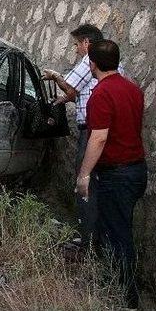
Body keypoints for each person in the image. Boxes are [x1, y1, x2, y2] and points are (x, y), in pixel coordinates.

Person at [75, 40, 146, 309]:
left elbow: (99, 138)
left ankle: (126, 298)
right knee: (115, 230)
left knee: (117, 235)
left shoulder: (101, 93)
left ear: (92, 63)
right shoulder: (133, 90)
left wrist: (84, 175)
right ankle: (112, 285)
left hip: (117, 174)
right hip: (136, 170)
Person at [42, 23, 122, 244]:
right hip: (109, 134)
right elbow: (81, 93)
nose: (76, 49)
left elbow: (71, 88)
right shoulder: (115, 65)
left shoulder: (91, 61)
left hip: (92, 131)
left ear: (87, 43)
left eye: (77, 44)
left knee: (85, 183)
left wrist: (56, 77)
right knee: (99, 188)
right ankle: (95, 239)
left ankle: (87, 240)